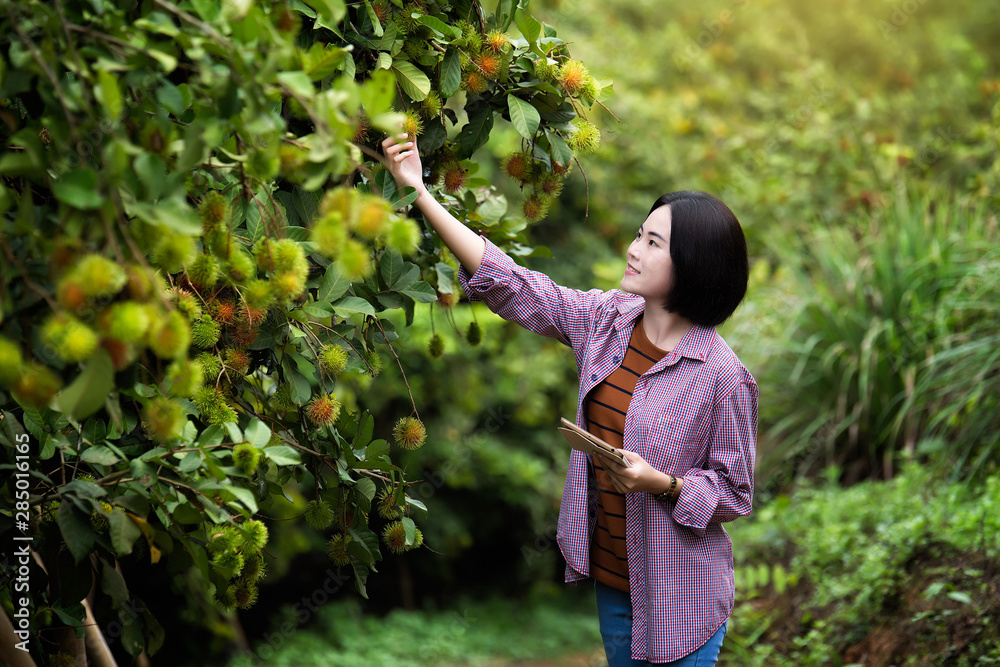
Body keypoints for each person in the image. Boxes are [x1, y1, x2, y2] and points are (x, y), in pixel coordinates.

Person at [382, 132, 757, 666]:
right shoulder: (607, 320)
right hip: (613, 578)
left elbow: (735, 494)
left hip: (682, 597)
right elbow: (512, 285)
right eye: (639, 234)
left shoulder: (723, 375)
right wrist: (420, 192)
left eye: (654, 243)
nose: (633, 249)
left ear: (694, 265)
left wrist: (662, 483)